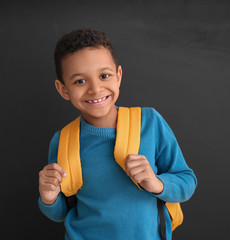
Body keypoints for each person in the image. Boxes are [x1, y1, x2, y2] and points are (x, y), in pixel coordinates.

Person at [38, 28, 197, 240]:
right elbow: (61, 213)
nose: (95, 89)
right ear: (63, 89)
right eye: (79, 81)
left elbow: (187, 181)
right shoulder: (63, 141)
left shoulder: (149, 123)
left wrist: (156, 183)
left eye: (104, 76)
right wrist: (48, 198)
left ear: (118, 76)